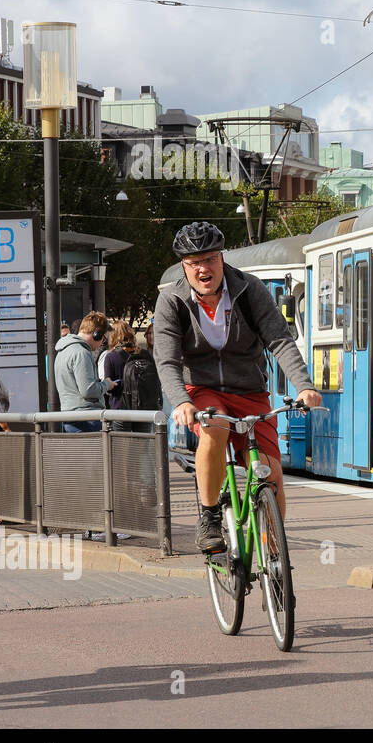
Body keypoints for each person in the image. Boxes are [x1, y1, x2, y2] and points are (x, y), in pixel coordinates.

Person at [154, 223, 321, 554]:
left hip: (249, 390)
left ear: (221, 258)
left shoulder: (249, 289)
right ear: (184, 266)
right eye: (194, 262)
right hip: (203, 389)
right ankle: (210, 517)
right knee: (214, 428)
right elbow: (168, 362)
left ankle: (273, 558)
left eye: (211, 259)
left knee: (271, 475)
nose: (204, 268)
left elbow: (280, 341)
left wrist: (305, 386)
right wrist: (181, 402)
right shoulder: (171, 301)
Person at [54, 311, 115, 432]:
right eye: (103, 339)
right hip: (87, 418)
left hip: (71, 416)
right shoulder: (81, 353)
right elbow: (88, 390)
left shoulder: (63, 351)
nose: (102, 343)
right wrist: (107, 384)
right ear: (96, 334)